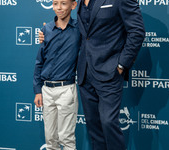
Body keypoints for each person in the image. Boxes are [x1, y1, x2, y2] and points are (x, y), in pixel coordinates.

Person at [39, 0, 145, 149]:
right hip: (84, 74)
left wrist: (121, 64)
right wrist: (48, 33)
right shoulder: (81, 2)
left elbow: (137, 31)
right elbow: (83, 32)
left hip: (110, 72)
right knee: (94, 129)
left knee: (108, 123)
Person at [33, 0, 80, 150]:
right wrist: (38, 90)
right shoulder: (46, 29)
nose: (59, 8)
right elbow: (39, 61)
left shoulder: (80, 29)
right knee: (50, 139)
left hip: (66, 89)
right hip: (46, 90)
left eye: (64, 3)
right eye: (55, 3)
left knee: (66, 138)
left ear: (73, 5)